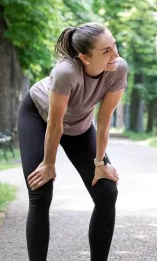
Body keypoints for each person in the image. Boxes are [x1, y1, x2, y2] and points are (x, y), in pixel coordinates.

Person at [17, 22, 128, 261]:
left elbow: (105, 119)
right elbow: (55, 123)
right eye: (106, 51)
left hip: (80, 124)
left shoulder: (118, 69)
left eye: (114, 46)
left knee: (107, 191)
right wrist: (48, 163)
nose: (116, 55)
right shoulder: (65, 72)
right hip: (39, 116)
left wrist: (100, 163)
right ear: (84, 58)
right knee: (41, 190)